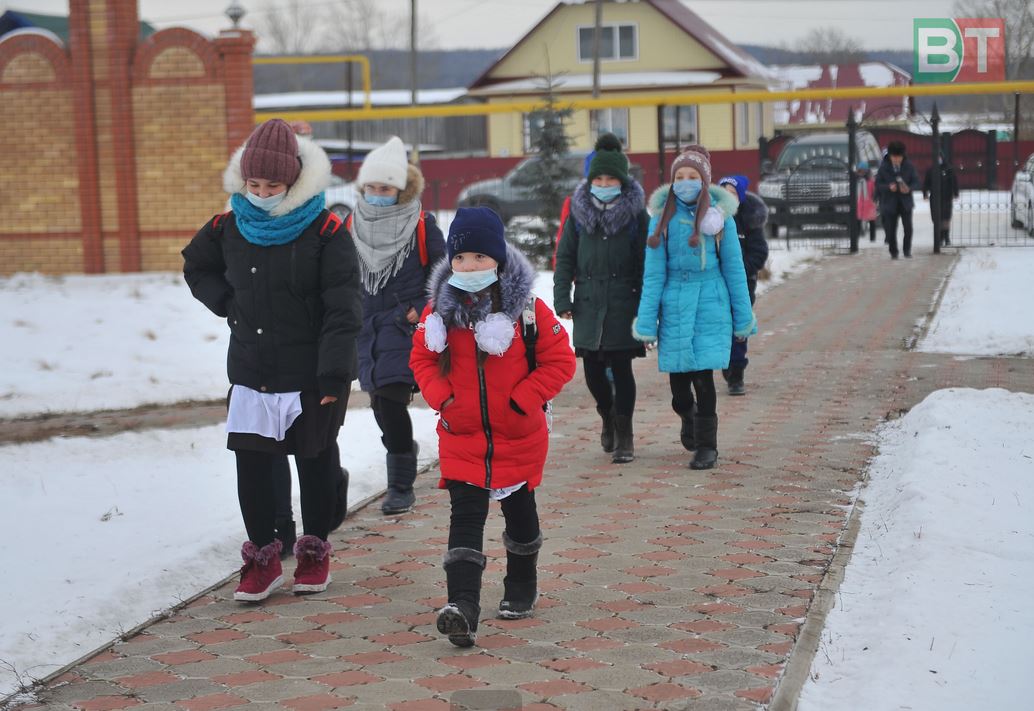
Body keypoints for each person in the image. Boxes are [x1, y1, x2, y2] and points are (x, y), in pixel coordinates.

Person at [182, 118, 362, 602]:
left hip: (310, 373)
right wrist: (226, 301)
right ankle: (263, 559)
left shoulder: (325, 231)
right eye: (253, 183)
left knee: (315, 463)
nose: (261, 193)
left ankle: (314, 551)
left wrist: (334, 373)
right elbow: (195, 266)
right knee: (254, 466)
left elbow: (343, 310)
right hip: (252, 370)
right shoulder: (227, 226)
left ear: (294, 181)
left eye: (272, 185)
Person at [410, 207, 576, 647]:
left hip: (518, 434)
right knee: (464, 516)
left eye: (479, 258)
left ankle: (521, 584)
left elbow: (561, 360)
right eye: (461, 259)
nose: (469, 267)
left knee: (520, 513)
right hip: (462, 435)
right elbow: (422, 359)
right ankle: (462, 607)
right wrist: (443, 398)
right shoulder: (439, 312)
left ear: (498, 260)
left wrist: (522, 400)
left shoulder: (527, 310)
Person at [632, 146, 754, 470]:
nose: (686, 182)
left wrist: (743, 318)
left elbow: (735, 269)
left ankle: (707, 446)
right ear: (672, 182)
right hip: (674, 304)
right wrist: (646, 322)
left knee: (703, 377)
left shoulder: (719, 219)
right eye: (680, 177)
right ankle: (687, 415)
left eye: (693, 177)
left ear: (705, 180)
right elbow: (654, 274)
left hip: (711, 302)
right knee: (679, 385)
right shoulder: (661, 221)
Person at [352, 136, 446, 515]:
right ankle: (405, 451)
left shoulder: (421, 224)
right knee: (379, 403)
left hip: (404, 326)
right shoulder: (350, 225)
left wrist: (420, 309)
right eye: (372, 187)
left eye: (386, 188)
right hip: (364, 328)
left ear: (401, 189)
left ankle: (400, 485)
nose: (378, 194)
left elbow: (443, 274)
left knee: (390, 400)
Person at [554, 133, 648, 463]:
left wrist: (645, 307)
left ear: (621, 182)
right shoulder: (578, 215)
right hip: (589, 302)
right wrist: (562, 297)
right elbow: (564, 258)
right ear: (591, 179)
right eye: (599, 178)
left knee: (622, 369)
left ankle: (625, 435)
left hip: (625, 300)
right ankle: (607, 415)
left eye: (611, 178)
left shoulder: (637, 216)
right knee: (593, 372)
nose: (604, 183)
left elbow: (646, 263)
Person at [717, 175, 768, 397]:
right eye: (723, 191)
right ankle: (727, 363)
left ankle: (737, 373)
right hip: (717, 285)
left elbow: (759, 252)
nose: (727, 196)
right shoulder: (712, 219)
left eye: (732, 192)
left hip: (743, 284)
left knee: (739, 328)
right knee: (721, 326)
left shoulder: (749, 221)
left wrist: (741, 270)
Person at [875, 141, 921, 259]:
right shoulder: (884, 167)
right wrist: (888, 187)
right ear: (890, 156)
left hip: (905, 203)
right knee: (890, 230)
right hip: (890, 203)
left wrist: (908, 188)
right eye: (894, 157)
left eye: (898, 157)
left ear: (902, 156)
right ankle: (893, 252)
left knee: (908, 228)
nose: (896, 160)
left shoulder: (909, 166)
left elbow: (916, 182)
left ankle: (907, 250)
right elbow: (878, 184)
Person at [923, 158, 959, 247]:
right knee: (936, 218)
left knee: (946, 217)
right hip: (935, 197)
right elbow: (926, 182)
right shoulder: (931, 170)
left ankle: (946, 237)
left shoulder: (949, 169)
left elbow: (954, 181)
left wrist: (955, 192)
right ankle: (939, 237)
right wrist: (925, 193)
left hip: (946, 196)